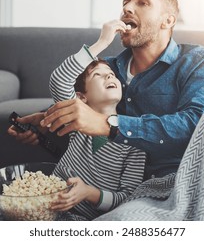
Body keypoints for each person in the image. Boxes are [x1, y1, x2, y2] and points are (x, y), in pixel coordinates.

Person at [8, 0, 204, 180]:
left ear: (168, 21)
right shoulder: (109, 68)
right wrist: (49, 123)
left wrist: (110, 125)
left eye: (142, 2)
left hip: (179, 180)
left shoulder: (202, 62)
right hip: (112, 188)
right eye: (125, 2)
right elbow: (80, 103)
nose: (127, 8)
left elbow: (201, 125)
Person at [49, 45, 146, 220]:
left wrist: (88, 193)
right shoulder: (77, 123)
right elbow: (59, 80)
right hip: (47, 205)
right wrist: (103, 41)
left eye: (111, 74)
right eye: (97, 75)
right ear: (81, 98)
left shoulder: (134, 142)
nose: (109, 75)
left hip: (87, 219)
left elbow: (127, 199)